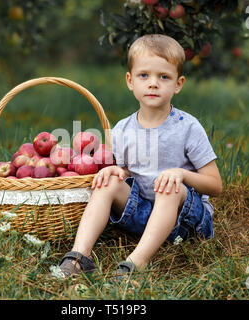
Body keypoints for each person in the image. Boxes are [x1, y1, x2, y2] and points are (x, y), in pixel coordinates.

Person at [59, 34, 222, 277]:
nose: (153, 83)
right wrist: (117, 171)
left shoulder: (187, 127)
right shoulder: (122, 129)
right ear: (130, 80)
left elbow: (215, 185)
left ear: (178, 84)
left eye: (164, 76)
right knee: (107, 181)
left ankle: (136, 262)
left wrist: (181, 175)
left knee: (170, 187)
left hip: (186, 222)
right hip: (144, 214)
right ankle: (79, 257)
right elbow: (129, 172)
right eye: (144, 75)